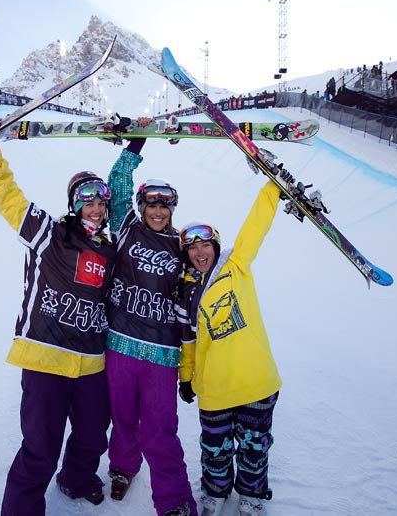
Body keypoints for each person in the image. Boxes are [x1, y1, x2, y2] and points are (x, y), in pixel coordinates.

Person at [0, 127, 117, 516]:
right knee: (41, 447)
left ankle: (75, 479)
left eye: (100, 201)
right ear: (75, 204)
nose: (94, 207)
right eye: (86, 200)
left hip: (91, 361)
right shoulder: (49, 234)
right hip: (45, 357)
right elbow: (9, 199)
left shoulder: (110, 250)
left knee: (93, 437)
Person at [176, 169, 286, 516]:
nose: (199, 252)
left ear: (216, 246)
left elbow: (256, 225)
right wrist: (186, 377)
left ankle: (252, 496)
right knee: (215, 448)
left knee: (254, 448)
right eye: (192, 248)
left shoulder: (236, 266)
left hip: (255, 382)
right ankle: (215, 491)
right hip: (215, 389)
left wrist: (274, 188)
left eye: (205, 244)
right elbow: (188, 342)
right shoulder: (185, 292)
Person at [103, 119, 197, 516]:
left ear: (172, 209)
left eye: (164, 205)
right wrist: (137, 142)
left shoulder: (182, 245)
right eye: (152, 204)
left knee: (161, 431)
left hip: (162, 353)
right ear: (142, 207)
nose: (157, 211)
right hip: (120, 343)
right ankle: (123, 468)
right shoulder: (126, 228)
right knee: (122, 418)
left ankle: (174, 503)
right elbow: (117, 180)